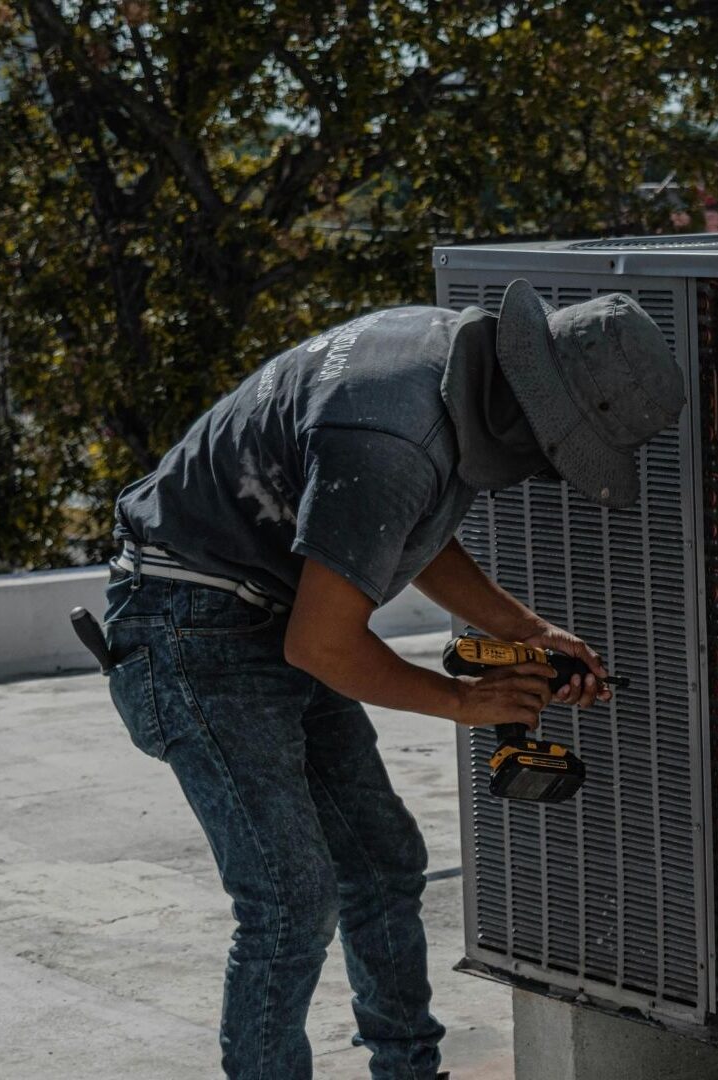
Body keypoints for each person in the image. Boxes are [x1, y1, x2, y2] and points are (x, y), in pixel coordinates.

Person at [100, 279, 685, 1079]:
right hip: (189, 623)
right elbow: (322, 643)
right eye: (556, 456)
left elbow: (385, 529)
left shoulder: (441, 361)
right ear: (537, 416)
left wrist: (526, 630)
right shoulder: (390, 435)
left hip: (259, 603)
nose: (543, 473)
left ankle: (408, 1070)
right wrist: (462, 702)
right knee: (288, 901)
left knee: (382, 861)